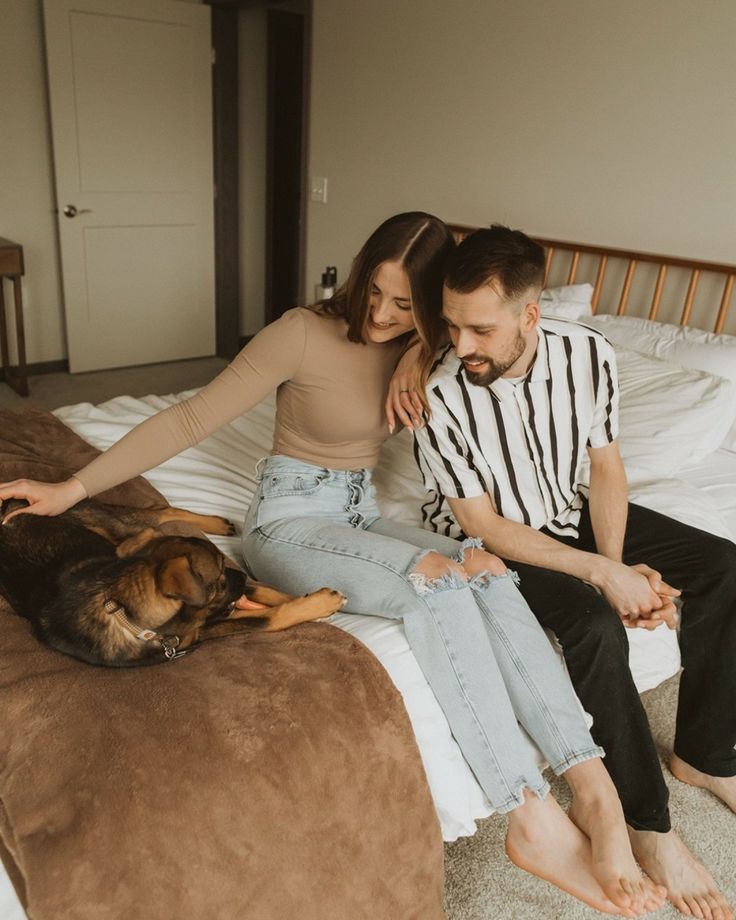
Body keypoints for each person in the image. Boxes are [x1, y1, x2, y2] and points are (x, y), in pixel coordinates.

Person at [0, 213, 665, 916]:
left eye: (405, 304)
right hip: (288, 518)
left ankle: (593, 788)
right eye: (372, 290)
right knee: (434, 589)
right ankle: (526, 811)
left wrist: (422, 346)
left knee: (488, 569)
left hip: (360, 511)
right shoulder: (302, 332)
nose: (379, 315)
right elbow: (191, 418)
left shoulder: (439, 346)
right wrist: (71, 490)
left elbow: (507, 395)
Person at [410, 224, 735, 920]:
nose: (461, 345)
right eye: (450, 326)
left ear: (530, 314)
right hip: (497, 541)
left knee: (725, 566)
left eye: (479, 328)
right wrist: (601, 582)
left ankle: (706, 752)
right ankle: (648, 822)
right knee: (591, 625)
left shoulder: (587, 352)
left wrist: (615, 567)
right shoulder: (440, 395)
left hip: (569, 511)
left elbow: (606, 467)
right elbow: (487, 526)